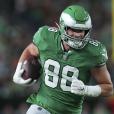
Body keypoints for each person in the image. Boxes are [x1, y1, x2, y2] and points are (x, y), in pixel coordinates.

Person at [13, 5, 113, 114]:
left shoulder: (93, 53)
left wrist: (87, 90)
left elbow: (108, 88)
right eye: (73, 29)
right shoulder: (46, 37)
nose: (78, 34)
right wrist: (19, 68)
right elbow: (30, 50)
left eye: (82, 30)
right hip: (42, 105)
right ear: (62, 26)